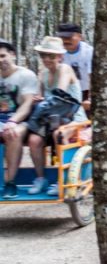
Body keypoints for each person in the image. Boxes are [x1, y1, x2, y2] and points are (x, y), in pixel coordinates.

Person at [20, 37, 87, 196]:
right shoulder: (43, 73)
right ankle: (41, 178)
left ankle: (62, 179)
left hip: (72, 117)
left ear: (59, 56)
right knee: (33, 140)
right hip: (51, 119)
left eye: (51, 55)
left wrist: (43, 100)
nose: (46, 59)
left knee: (59, 134)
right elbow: (40, 97)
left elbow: (60, 95)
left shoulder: (64, 69)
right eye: (43, 55)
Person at [0, 40, 38, 199]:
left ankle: (10, 182)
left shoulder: (25, 75)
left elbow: (27, 104)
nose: (0, 60)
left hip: (22, 120)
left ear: (12, 55)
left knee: (12, 133)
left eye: (3, 56)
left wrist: (12, 121)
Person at [57, 23, 93, 114]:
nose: (65, 41)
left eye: (69, 37)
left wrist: (89, 98)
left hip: (85, 91)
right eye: (62, 38)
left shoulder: (88, 52)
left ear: (79, 37)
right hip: (66, 91)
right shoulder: (58, 52)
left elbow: (92, 76)